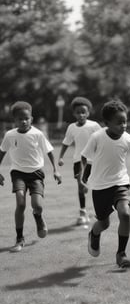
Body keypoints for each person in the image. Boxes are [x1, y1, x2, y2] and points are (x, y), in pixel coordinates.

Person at [81, 99, 130, 268]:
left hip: (121, 183)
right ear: (107, 123)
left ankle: (121, 254)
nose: (124, 125)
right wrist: (82, 177)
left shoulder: (128, 139)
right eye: (119, 122)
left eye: (125, 121)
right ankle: (94, 234)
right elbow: (85, 156)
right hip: (99, 186)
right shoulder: (97, 137)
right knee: (104, 223)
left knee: (125, 214)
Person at [0, 101, 62, 252]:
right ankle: (19, 238)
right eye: (20, 119)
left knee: (37, 205)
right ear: (14, 120)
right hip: (18, 173)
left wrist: (55, 170)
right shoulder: (9, 135)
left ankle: (38, 216)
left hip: (36, 173)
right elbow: (1, 153)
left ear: (31, 119)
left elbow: (49, 151)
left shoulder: (37, 134)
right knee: (20, 204)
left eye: (26, 118)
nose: (23, 121)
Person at [58, 97, 101, 225]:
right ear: (74, 114)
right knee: (80, 184)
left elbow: (102, 140)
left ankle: (99, 212)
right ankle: (82, 212)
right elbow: (66, 142)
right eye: (78, 112)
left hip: (94, 160)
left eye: (83, 112)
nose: (81, 114)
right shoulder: (71, 127)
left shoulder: (94, 126)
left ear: (88, 113)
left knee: (97, 185)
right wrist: (60, 157)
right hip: (78, 160)